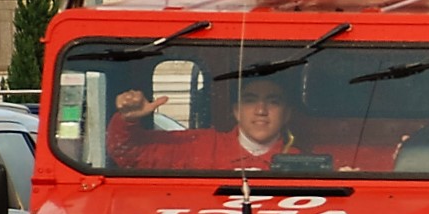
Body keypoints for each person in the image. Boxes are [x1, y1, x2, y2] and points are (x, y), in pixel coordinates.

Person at [108, 76, 305, 170]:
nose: (261, 111)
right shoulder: (198, 146)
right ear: (236, 111)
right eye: (250, 100)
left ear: (287, 114)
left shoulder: (306, 162)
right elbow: (129, 154)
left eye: (273, 102)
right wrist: (128, 119)